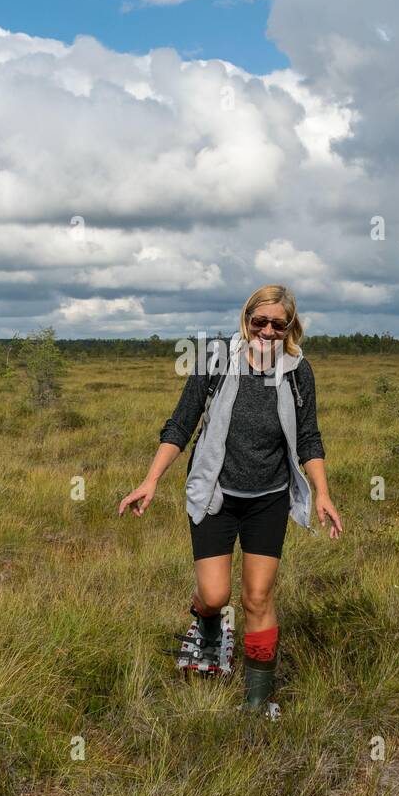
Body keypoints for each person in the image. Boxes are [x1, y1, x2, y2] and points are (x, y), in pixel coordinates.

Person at [118, 284, 343, 714]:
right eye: (260, 322)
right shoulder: (218, 359)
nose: (268, 331)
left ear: (290, 326)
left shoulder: (298, 370)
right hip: (215, 496)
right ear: (246, 320)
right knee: (215, 595)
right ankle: (205, 628)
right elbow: (181, 423)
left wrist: (322, 495)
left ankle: (258, 702)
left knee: (258, 596)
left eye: (279, 324)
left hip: (269, 497)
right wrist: (150, 481)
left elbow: (309, 436)